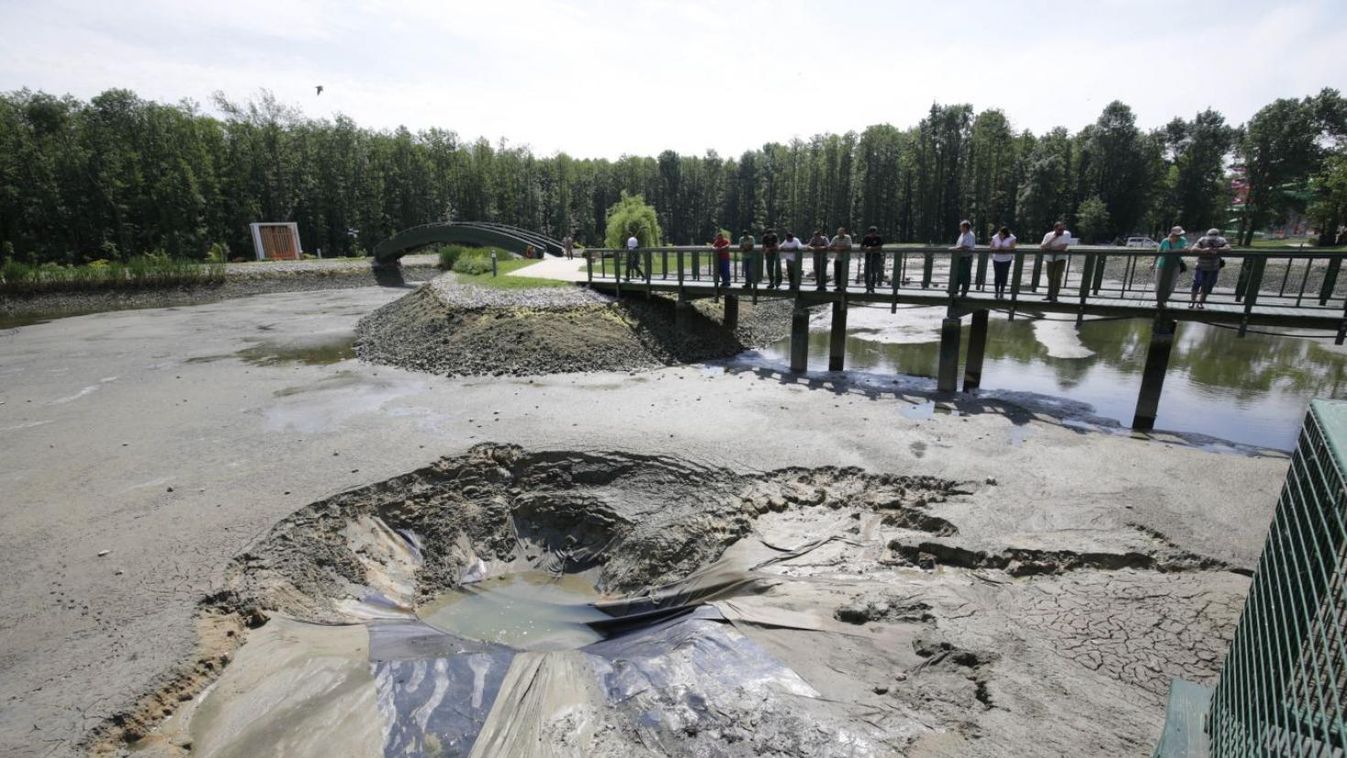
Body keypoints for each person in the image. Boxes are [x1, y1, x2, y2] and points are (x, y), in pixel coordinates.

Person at [1189, 227, 1230, 309]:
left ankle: (1200, 302)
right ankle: (1192, 302)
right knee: (1196, 283)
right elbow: (1193, 249)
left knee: (1208, 285)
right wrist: (1204, 250)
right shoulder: (1202, 240)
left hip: (1214, 267)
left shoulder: (1221, 240)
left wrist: (1217, 249)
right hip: (1201, 266)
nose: (1212, 239)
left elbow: (1228, 248)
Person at [1153, 226, 1187, 306]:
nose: (1178, 237)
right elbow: (1158, 252)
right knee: (1158, 283)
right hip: (1161, 264)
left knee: (1172, 284)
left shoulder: (1183, 240)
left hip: (1175, 264)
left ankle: (1164, 300)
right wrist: (1153, 263)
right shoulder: (1165, 241)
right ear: (1172, 234)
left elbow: (1186, 249)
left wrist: (1171, 251)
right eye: (1176, 235)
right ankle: (1158, 301)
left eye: (1179, 235)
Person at [1038, 221, 1071, 302]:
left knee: (1057, 277)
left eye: (1063, 229)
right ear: (1055, 229)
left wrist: (1049, 248)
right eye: (1060, 229)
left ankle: (1054, 296)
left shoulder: (1067, 234)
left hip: (1061, 258)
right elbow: (1042, 247)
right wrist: (1053, 239)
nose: (1062, 231)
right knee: (1050, 277)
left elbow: (1062, 247)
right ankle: (1049, 295)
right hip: (1049, 259)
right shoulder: (1048, 235)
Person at [989, 226, 1016, 299]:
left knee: (1004, 276)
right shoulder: (995, 237)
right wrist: (997, 248)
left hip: (1006, 260)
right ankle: (996, 291)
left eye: (1002, 234)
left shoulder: (1012, 237)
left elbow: (1012, 247)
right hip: (996, 259)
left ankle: (1002, 291)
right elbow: (991, 247)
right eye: (999, 234)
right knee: (997, 276)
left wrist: (1004, 248)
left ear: (1006, 234)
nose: (1000, 235)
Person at [951, 220, 976, 297]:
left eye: (961, 226)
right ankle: (955, 291)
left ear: (965, 227)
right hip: (960, 258)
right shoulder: (963, 234)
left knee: (965, 276)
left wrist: (955, 248)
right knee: (957, 275)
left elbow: (966, 246)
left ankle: (964, 293)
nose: (960, 228)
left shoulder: (970, 235)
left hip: (966, 258)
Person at [829, 227, 853, 292]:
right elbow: (830, 246)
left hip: (845, 259)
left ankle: (844, 287)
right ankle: (838, 286)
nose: (840, 234)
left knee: (844, 273)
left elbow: (849, 246)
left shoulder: (848, 237)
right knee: (837, 273)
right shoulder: (835, 238)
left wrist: (840, 248)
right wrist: (835, 249)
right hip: (837, 258)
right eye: (839, 232)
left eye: (841, 232)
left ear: (844, 232)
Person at [861, 226, 884, 293]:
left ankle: (873, 286)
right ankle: (867, 287)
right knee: (867, 272)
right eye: (871, 232)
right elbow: (861, 246)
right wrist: (865, 248)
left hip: (876, 257)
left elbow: (880, 246)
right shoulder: (866, 238)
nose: (873, 234)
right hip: (868, 257)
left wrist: (871, 248)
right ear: (869, 232)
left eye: (874, 232)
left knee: (874, 273)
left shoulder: (878, 238)